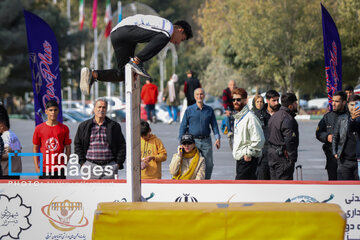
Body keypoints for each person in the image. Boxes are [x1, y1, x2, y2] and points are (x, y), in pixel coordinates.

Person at [80, 14, 193, 95]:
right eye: (181, 40)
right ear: (180, 30)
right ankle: (136, 61)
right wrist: (138, 61)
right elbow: (156, 43)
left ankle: (92, 74)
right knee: (165, 37)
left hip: (117, 35)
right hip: (126, 30)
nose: (178, 43)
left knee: (124, 74)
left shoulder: (161, 29)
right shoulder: (168, 27)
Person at [74, 98, 126, 179]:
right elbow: (78, 144)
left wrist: (118, 163)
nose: (101, 109)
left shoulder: (114, 126)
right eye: (99, 107)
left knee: (109, 191)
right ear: (94, 108)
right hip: (90, 166)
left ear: (106, 109)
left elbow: (122, 145)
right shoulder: (84, 126)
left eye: (104, 107)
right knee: (89, 191)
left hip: (109, 167)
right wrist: (82, 163)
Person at [179, 88, 220, 179]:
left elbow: (214, 125)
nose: (199, 96)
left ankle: (206, 181)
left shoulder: (209, 110)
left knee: (209, 164)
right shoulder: (189, 110)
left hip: (206, 141)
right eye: (197, 94)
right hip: (193, 142)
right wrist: (181, 142)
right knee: (192, 163)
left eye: (201, 94)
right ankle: (194, 181)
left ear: (204, 96)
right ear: (194, 96)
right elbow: (183, 126)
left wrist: (217, 138)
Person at [231, 88, 265, 180]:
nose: (235, 102)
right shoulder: (238, 117)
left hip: (247, 159)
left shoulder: (250, 117)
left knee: (240, 188)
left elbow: (259, 139)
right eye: (233, 100)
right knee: (245, 189)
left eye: (238, 99)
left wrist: (248, 153)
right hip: (240, 159)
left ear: (245, 101)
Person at [32, 100, 71, 179]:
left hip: (59, 169)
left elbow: (68, 147)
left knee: (60, 191)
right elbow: (35, 147)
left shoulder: (64, 128)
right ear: (46, 111)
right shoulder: (39, 129)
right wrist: (37, 167)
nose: (53, 112)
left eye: (55, 110)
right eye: (50, 110)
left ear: (58, 111)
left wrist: (65, 163)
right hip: (44, 169)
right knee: (45, 191)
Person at [316, 91, 347, 180]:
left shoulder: (349, 116)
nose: (333, 104)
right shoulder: (327, 117)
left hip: (346, 160)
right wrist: (327, 136)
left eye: (337, 101)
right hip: (331, 159)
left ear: (344, 102)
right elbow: (318, 133)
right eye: (332, 101)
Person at [267, 93, 299, 180]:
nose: (297, 105)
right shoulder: (287, 118)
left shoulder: (274, 116)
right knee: (284, 187)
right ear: (290, 106)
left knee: (275, 186)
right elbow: (290, 140)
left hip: (272, 155)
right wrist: (292, 158)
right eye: (295, 103)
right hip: (283, 158)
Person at [332, 94, 360, 180]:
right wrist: (335, 152)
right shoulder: (342, 118)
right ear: (347, 105)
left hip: (358, 161)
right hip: (344, 161)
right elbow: (335, 136)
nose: (354, 107)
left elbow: (355, 127)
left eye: (357, 104)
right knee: (343, 188)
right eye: (351, 105)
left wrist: (353, 120)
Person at [254, 90, 281, 180]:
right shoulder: (258, 115)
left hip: (279, 154)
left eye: (278, 100)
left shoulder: (282, 114)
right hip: (263, 155)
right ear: (267, 100)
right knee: (262, 183)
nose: (276, 103)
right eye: (274, 100)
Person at [0, 106, 22, 179]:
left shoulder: (5, 136)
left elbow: (7, 155)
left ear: (2, 125)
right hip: (16, 171)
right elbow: (19, 149)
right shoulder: (13, 134)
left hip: (7, 174)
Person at [222, 80, 236, 148]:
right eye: (231, 85)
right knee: (227, 116)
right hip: (228, 107)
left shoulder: (237, 90)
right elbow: (224, 101)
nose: (232, 86)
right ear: (228, 85)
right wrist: (226, 110)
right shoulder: (225, 91)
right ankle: (229, 131)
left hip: (236, 107)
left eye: (233, 85)